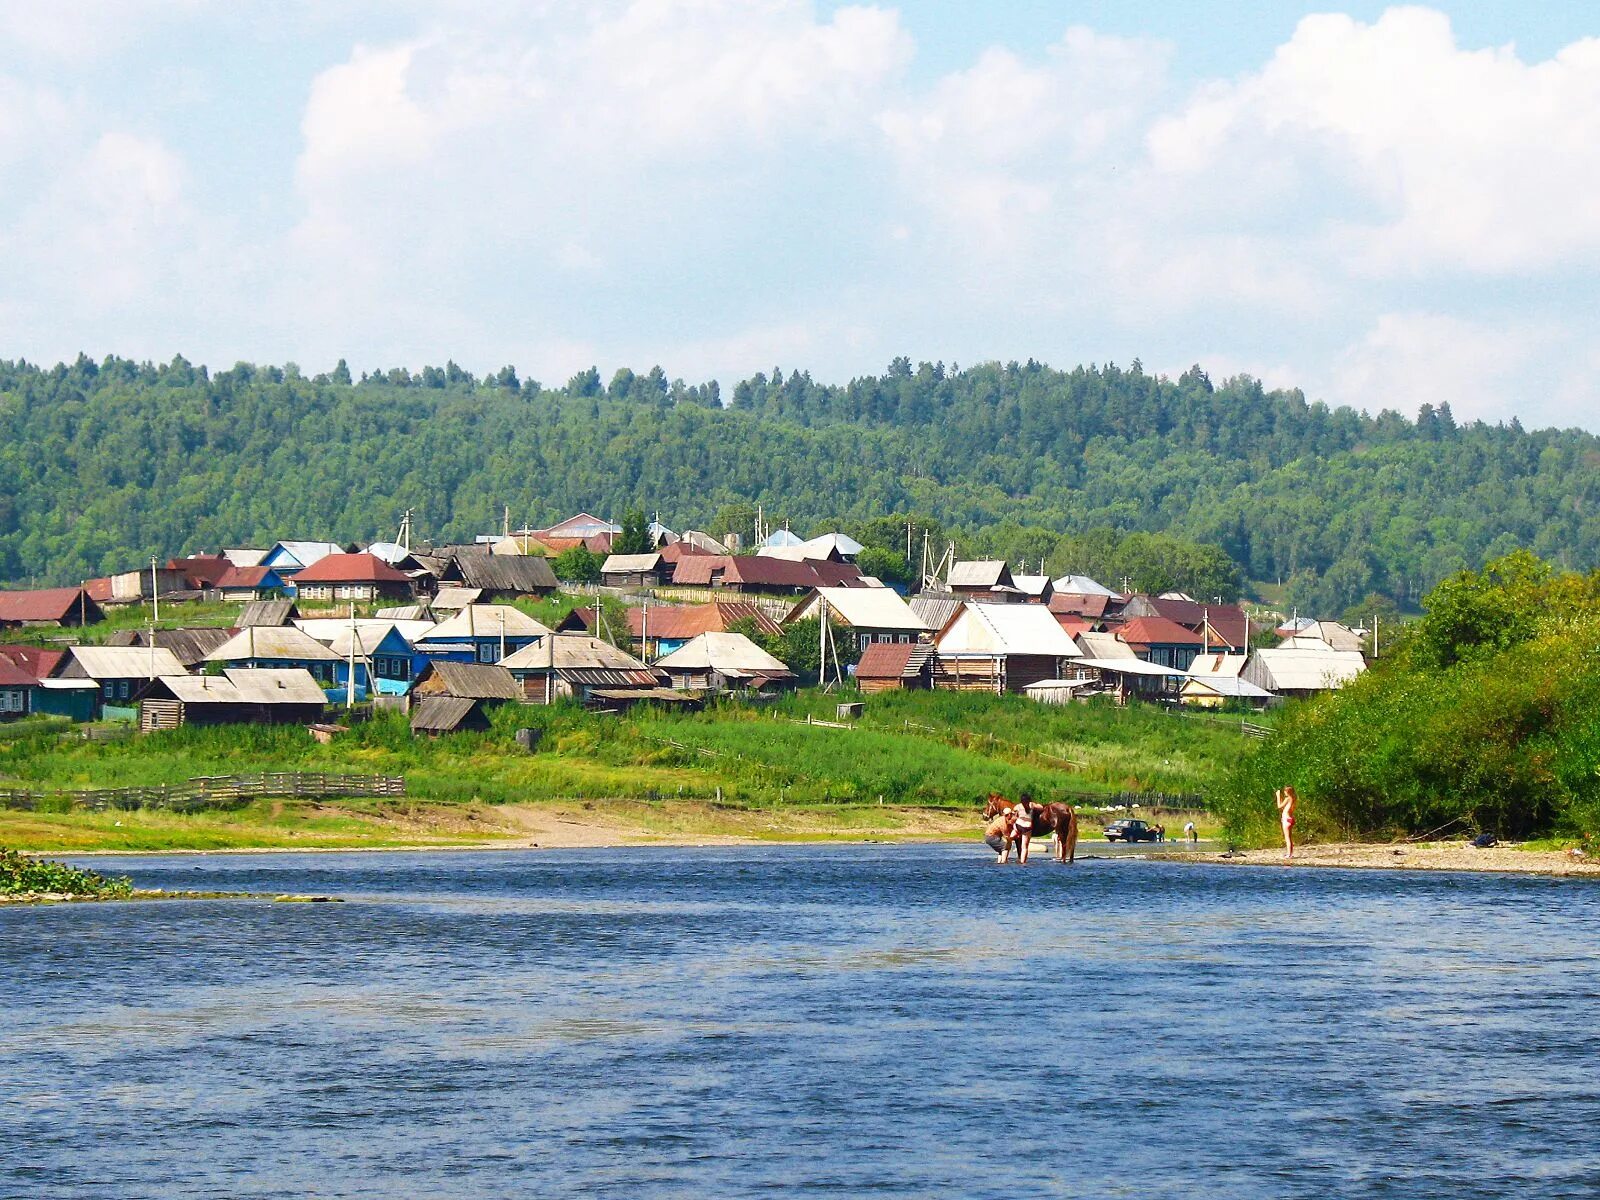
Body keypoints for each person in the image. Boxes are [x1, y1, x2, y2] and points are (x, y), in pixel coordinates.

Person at [1275, 786, 1297, 860]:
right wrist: (1281, 799)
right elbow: (1283, 807)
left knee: (1287, 838)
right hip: (1290, 818)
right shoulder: (1293, 798)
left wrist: (1278, 796)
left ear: (1287, 792)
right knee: (1289, 838)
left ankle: (1289, 854)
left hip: (1286, 819)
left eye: (1284, 791)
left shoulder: (1288, 798)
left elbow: (1279, 806)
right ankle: (1290, 853)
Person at [1012, 795, 1035, 865]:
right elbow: (1041, 807)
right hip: (1027, 828)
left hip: (1018, 825)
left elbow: (1014, 812)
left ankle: (1012, 836)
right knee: (1024, 847)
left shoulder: (1018, 806)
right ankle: (1022, 861)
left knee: (1012, 832)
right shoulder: (1032, 805)